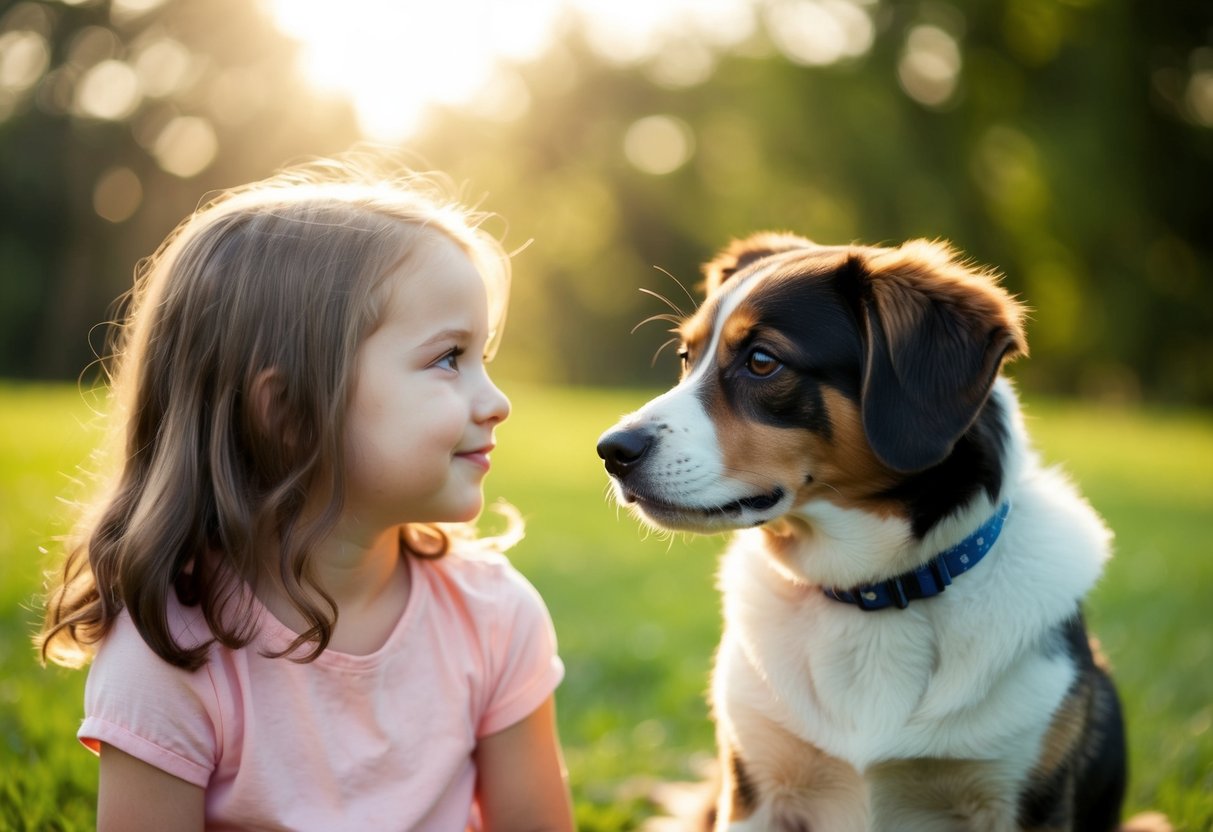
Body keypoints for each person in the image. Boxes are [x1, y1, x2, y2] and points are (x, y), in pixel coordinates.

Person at [35, 156, 574, 832]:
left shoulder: (494, 616)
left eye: (483, 357)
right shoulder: (172, 652)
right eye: (448, 359)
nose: (496, 402)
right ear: (287, 411)